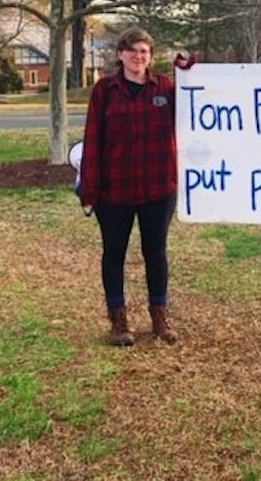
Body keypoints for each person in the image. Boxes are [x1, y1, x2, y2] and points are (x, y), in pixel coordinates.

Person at [79, 27, 184, 346]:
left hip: (158, 187)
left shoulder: (166, 88)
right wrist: (89, 189)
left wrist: (190, 72)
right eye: (133, 51)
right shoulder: (105, 91)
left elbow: (199, 109)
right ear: (120, 54)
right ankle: (118, 321)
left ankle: (159, 317)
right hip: (115, 191)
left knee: (156, 252)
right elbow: (93, 140)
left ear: (151, 56)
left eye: (144, 51)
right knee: (114, 253)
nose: (138, 57)